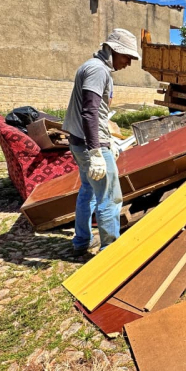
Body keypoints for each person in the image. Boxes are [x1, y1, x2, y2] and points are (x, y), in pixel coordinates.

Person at [63, 28, 140, 256]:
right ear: (113, 50)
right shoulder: (98, 70)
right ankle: (109, 251)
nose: (128, 63)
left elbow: (98, 113)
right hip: (90, 144)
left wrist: (109, 140)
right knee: (109, 197)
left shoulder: (91, 66)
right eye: (127, 57)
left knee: (88, 190)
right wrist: (96, 151)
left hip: (79, 142)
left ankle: (81, 241)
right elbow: (90, 112)